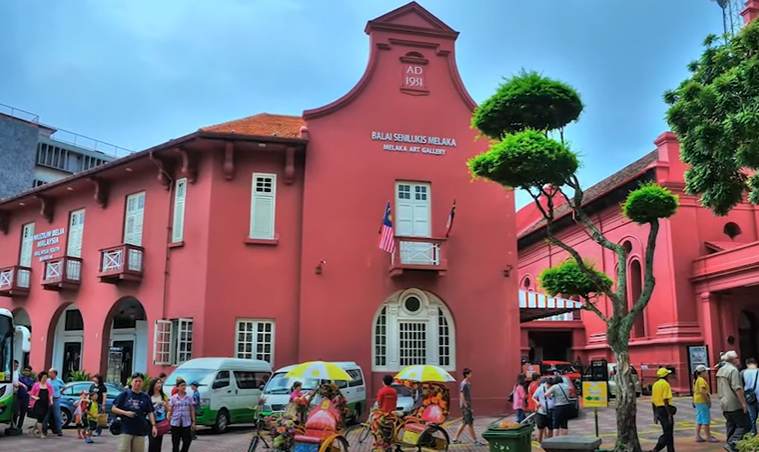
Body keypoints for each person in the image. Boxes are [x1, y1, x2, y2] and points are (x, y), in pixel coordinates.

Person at [112, 372, 158, 452]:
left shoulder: (145, 396)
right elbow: (114, 408)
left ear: (142, 383)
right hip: (125, 428)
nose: (138, 383)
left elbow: (150, 412)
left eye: (140, 381)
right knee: (123, 450)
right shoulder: (124, 394)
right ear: (131, 382)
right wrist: (126, 413)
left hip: (140, 429)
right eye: (136, 381)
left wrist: (154, 425)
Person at [717, 350, 751, 452]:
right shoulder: (733, 370)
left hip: (724, 402)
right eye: (737, 358)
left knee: (731, 425)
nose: (738, 359)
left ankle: (730, 444)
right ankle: (732, 443)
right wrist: (743, 403)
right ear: (733, 359)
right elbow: (737, 388)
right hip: (734, 402)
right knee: (745, 425)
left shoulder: (721, 370)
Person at [452, 368, 485, 445]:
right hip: (465, 406)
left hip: (467, 405)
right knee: (470, 423)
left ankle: (455, 438)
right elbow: (462, 395)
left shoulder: (468, 383)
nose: (471, 375)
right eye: (470, 373)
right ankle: (475, 440)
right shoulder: (464, 384)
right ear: (466, 374)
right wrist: (466, 405)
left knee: (464, 422)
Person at [651, 367, 675, 452]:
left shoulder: (655, 385)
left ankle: (670, 450)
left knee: (667, 431)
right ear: (666, 376)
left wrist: (655, 414)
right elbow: (665, 400)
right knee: (668, 433)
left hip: (658, 409)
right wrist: (669, 414)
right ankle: (657, 448)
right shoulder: (665, 384)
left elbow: (653, 401)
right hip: (665, 409)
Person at [169, 377, 196, 452]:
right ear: (177, 387)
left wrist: (193, 421)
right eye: (181, 385)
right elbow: (170, 409)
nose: (183, 387)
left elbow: (192, 409)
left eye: (184, 385)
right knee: (175, 442)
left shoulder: (189, 397)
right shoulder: (173, 398)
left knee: (187, 440)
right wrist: (168, 418)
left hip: (186, 422)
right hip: (175, 422)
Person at [693, 364, 718, 443]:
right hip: (702, 401)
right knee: (705, 419)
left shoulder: (696, 380)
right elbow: (702, 391)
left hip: (697, 401)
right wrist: (708, 400)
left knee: (699, 419)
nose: (706, 373)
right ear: (702, 372)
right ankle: (708, 436)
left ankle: (697, 435)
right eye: (705, 372)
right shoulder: (701, 380)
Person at [147, 377, 171, 452]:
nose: (159, 385)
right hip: (150, 421)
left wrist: (165, 405)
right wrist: (155, 405)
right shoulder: (148, 396)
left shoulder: (163, 396)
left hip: (161, 421)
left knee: (158, 442)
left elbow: (169, 409)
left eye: (160, 383)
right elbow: (147, 409)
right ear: (153, 384)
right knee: (152, 441)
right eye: (157, 383)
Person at [29, 371, 54, 438]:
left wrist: (51, 400)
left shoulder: (48, 385)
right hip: (38, 404)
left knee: (41, 418)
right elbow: (31, 394)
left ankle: (32, 430)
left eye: (46, 377)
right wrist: (35, 397)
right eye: (43, 377)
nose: (45, 379)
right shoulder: (36, 385)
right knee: (40, 418)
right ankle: (41, 434)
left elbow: (51, 394)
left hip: (45, 404)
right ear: (40, 378)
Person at [43, 367, 65, 436]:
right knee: (46, 415)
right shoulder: (47, 381)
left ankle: (59, 430)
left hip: (56, 399)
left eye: (50, 372)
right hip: (48, 399)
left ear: (54, 373)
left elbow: (64, 387)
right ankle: (44, 430)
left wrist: (59, 392)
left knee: (57, 415)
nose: (49, 374)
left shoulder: (59, 380)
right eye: (49, 372)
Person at [532, 377, 554, 443]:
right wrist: (537, 403)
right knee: (540, 429)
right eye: (548, 386)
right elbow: (533, 397)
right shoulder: (540, 388)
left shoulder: (553, 389)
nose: (549, 387)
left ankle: (549, 443)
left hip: (551, 411)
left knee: (551, 429)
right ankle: (539, 443)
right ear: (546, 383)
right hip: (541, 412)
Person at [742, 358, 759, 435]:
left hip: (749, 398)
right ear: (756, 364)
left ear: (747, 364)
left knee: (752, 417)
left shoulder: (743, 373)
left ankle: (752, 433)